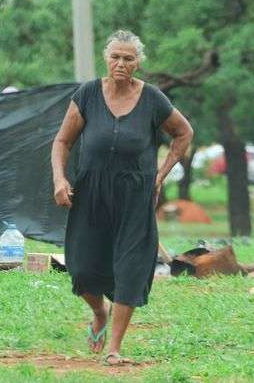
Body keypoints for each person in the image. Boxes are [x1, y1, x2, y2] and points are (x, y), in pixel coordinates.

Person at [50, 30, 193, 366]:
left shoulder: (153, 99)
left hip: (135, 195)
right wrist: (59, 178)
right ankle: (99, 312)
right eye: (115, 56)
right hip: (90, 193)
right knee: (82, 268)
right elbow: (62, 142)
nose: (121, 63)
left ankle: (114, 347)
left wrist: (161, 173)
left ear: (138, 62)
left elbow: (184, 132)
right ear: (106, 57)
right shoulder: (87, 94)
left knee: (130, 269)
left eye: (128, 58)